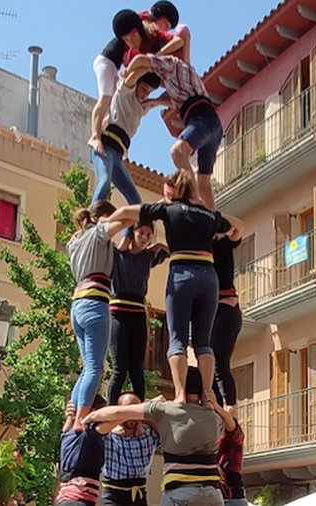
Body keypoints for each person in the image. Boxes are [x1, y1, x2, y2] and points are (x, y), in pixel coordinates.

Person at [107, 170, 243, 405]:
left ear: (174, 191)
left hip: (182, 274)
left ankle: (180, 393)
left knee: (178, 339)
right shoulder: (209, 215)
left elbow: (129, 211)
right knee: (203, 342)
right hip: (208, 277)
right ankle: (208, 393)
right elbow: (239, 227)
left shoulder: (168, 209)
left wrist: (104, 224)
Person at [84, 367, 225, 506]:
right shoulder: (215, 418)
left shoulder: (165, 413)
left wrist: (86, 418)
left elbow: (116, 413)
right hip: (213, 493)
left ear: (178, 385)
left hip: (179, 493)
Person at [67, 200, 135, 431]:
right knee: (95, 368)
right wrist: (130, 212)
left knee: (87, 368)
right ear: (102, 217)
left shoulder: (74, 241)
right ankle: (79, 421)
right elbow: (127, 220)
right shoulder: (98, 232)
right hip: (95, 302)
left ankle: (71, 417)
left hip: (77, 305)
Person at [123, 53, 222, 209]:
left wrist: (127, 75)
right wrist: (154, 102)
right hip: (212, 123)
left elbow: (141, 59)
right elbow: (176, 100)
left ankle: (194, 200)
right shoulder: (177, 79)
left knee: (177, 152)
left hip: (202, 118)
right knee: (204, 182)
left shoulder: (169, 64)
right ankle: (212, 222)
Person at [88, 10, 183, 156]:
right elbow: (136, 65)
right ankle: (95, 136)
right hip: (106, 62)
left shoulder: (152, 35)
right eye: (126, 39)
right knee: (105, 98)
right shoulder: (138, 34)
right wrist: (154, 61)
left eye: (132, 36)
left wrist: (157, 57)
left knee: (115, 105)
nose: (130, 41)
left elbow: (178, 41)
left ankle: (103, 131)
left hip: (116, 66)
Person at [108, 222, 169, 404]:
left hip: (138, 314)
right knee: (120, 368)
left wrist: (159, 245)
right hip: (118, 313)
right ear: (132, 232)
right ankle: (111, 410)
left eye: (149, 235)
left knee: (137, 369)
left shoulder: (147, 256)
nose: (144, 237)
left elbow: (171, 250)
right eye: (141, 232)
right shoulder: (117, 253)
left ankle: (140, 411)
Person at [90, 71, 162, 204]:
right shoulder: (124, 93)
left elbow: (167, 100)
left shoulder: (141, 108)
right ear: (136, 85)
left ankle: (131, 225)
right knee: (105, 181)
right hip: (105, 147)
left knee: (135, 200)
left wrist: (154, 98)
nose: (145, 94)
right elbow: (132, 76)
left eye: (148, 92)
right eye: (143, 89)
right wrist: (145, 65)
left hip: (118, 155)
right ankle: (90, 220)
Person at [101, 392, 161, 506]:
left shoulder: (148, 436)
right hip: (113, 495)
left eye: (135, 410)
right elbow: (94, 423)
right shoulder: (107, 436)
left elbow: (166, 436)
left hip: (138, 495)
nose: (131, 415)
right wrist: (116, 422)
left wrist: (143, 418)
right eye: (127, 410)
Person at [55, 396, 114, 506]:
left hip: (69, 499)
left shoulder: (70, 433)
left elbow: (65, 429)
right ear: (94, 413)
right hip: (77, 500)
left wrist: (70, 416)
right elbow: (117, 417)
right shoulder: (89, 433)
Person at [211, 227, 245, 408]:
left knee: (219, 362)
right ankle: (217, 407)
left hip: (226, 305)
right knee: (209, 363)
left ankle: (230, 407)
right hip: (212, 309)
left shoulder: (219, 241)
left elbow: (237, 233)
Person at [212, 403, 247, 506]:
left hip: (233, 499)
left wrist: (217, 407)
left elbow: (232, 427)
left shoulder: (235, 440)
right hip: (218, 498)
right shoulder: (212, 443)